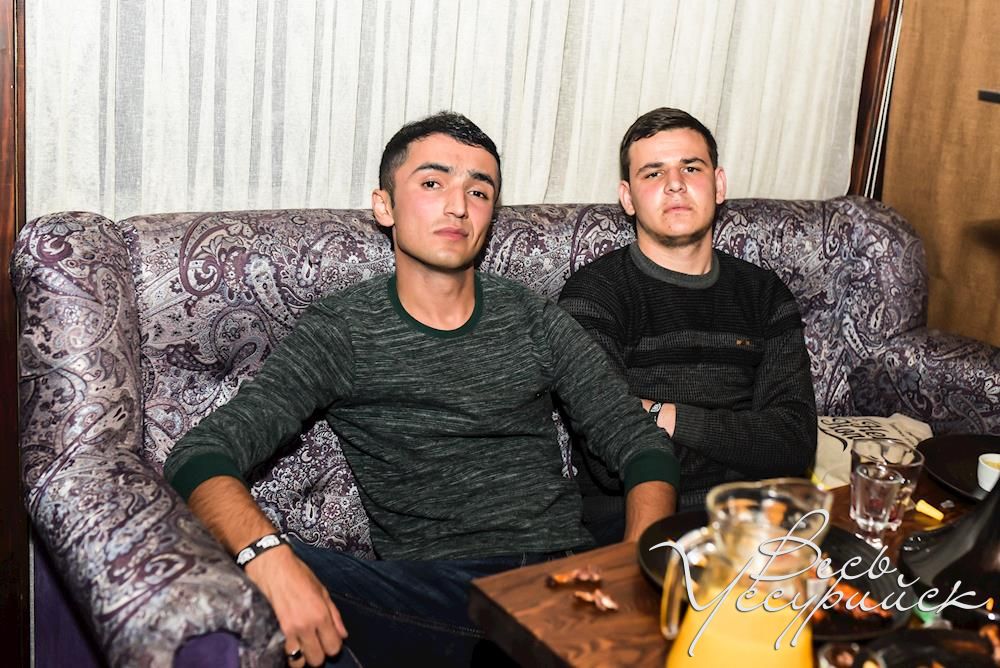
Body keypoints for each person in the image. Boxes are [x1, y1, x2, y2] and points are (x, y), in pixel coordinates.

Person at [164, 112, 679, 667]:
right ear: (384, 206)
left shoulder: (532, 317)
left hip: (559, 576)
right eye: (433, 183)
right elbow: (201, 456)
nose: (458, 205)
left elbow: (638, 442)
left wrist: (637, 566)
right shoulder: (342, 330)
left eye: (478, 191)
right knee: (272, 570)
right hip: (434, 593)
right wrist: (268, 557)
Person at [559, 107, 817, 542]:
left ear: (719, 185)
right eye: (653, 173)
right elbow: (610, 461)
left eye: (691, 168)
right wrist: (747, 444)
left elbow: (793, 445)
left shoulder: (764, 293)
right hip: (635, 525)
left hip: (756, 523)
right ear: (627, 198)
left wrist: (661, 414)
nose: (675, 184)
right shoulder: (595, 295)